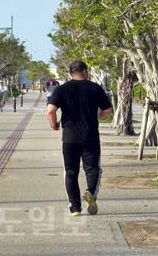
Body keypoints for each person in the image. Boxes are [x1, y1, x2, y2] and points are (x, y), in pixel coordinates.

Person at [46, 61, 112, 216]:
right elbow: (107, 109)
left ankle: (75, 207)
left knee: (70, 172)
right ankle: (90, 192)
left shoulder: (61, 89)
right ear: (85, 72)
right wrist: (97, 115)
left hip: (69, 137)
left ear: (70, 73)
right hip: (90, 136)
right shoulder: (95, 88)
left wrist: (54, 124)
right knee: (92, 169)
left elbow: (50, 110)